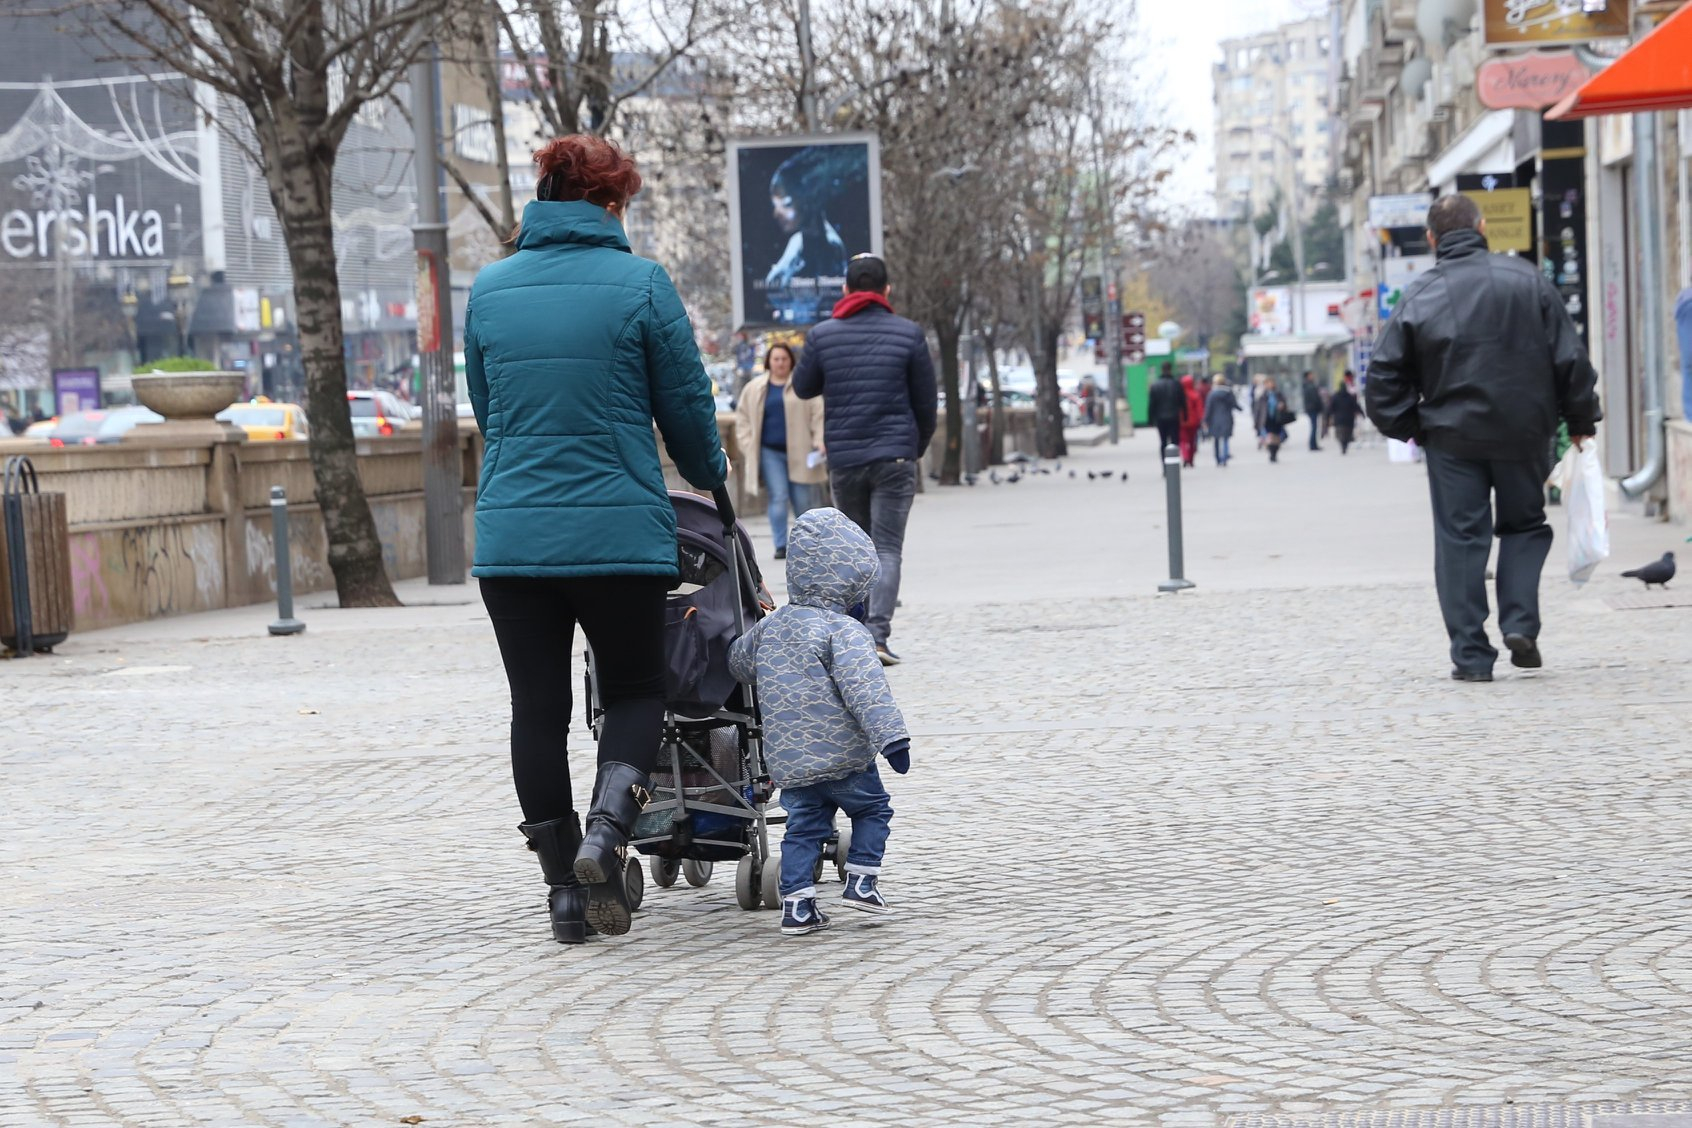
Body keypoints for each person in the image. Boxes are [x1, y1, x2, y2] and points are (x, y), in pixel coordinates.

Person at [464, 135, 728, 943]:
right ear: (613, 203)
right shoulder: (642, 285)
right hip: (618, 532)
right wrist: (708, 472)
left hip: (514, 541)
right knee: (635, 689)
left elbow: (488, 409)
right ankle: (609, 838)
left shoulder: (489, 289)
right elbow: (686, 413)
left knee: (536, 708)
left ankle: (565, 895)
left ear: (544, 197)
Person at [1365, 194, 1600, 682]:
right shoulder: (1528, 280)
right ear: (1483, 226)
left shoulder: (1418, 295)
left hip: (1452, 439)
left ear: (1431, 239)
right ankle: (1520, 623)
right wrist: (1580, 419)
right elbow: (1570, 359)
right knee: (1525, 525)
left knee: (1460, 541)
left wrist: (1416, 428)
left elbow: (1382, 381)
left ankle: (1471, 657)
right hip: (1524, 432)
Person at [728, 508, 910, 937]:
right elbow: (868, 692)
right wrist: (893, 740)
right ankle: (862, 881)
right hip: (845, 758)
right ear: (851, 584)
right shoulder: (843, 631)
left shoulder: (771, 628)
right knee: (872, 810)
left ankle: (797, 907)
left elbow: (737, 663)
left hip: (790, 763)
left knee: (803, 828)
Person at [793, 253, 936, 667]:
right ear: (887, 290)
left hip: (847, 456)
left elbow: (803, 387)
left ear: (845, 290)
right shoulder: (909, 334)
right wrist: (915, 447)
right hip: (895, 456)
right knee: (888, 548)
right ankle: (877, 635)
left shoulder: (823, 334)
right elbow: (926, 403)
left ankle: (851, 639)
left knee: (854, 549)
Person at [735, 343, 826, 560]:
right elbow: (742, 419)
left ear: (791, 361)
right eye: (776, 359)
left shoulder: (803, 386)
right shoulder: (755, 388)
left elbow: (818, 413)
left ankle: (805, 545)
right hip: (769, 452)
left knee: (803, 501)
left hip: (801, 452)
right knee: (778, 496)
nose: (780, 363)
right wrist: (748, 445)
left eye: (784, 359)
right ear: (769, 361)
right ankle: (781, 544)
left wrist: (819, 439)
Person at [1203, 375, 1239, 467]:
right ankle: (1224, 457)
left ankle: (1218, 457)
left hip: (1214, 419)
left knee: (1216, 439)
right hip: (1227, 418)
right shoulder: (1229, 393)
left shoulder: (1212, 394)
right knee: (1226, 439)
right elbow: (1234, 404)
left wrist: (1205, 420)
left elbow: (1208, 408)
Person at [1147, 363, 1183, 455]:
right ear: (1170, 369)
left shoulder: (1155, 385)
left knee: (1163, 441)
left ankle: (1165, 463)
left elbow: (1152, 404)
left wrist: (1150, 419)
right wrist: (1185, 415)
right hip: (1174, 417)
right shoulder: (1176, 384)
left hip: (1160, 418)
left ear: (1162, 370)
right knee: (1175, 441)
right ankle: (1174, 461)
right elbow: (1182, 401)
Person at [1254, 377, 1290, 462]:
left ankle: (1275, 452)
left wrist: (1282, 405)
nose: (1270, 385)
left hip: (1277, 418)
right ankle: (1271, 453)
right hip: (1266, 418)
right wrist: (1256, 421)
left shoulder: (1278, 394)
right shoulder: (1263, 396)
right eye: (1268, 383)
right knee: (1270, 436)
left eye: (1271, 383)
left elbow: (1285, 404)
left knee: (1277, 437)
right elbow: (1258, 409)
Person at [1329, 371, 1361, 455]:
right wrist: (1361, 413)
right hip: (1349, 418)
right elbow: (1356, 405)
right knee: (1348, 433)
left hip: (1338, 419)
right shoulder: (1350, 396)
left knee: (1340, 433)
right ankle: (1345, 445)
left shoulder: (1335, 396)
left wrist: (1328, 415)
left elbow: (1330, 407)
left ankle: (1343, 444)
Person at [1178, 374, 1204, 468]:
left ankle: (1185, 457)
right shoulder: (1195, 395)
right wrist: (1201, 419)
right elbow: (1199, 409)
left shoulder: (1179, 395)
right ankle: (1191, 459)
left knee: (1183, 441)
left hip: (1182, 422)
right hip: (1193, 422)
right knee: (1192, 441)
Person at [1301, 371, 1325, 452]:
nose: (1313, 376)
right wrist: (1320, 406)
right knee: (1314, 427)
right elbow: (1315, 398)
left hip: (1311, 409)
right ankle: (1313, 445)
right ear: (1308, 376)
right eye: (1311, 375)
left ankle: (1313, 444)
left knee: (1314, 427)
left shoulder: (1307, 385)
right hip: (1313, 409)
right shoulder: (1309, 386)